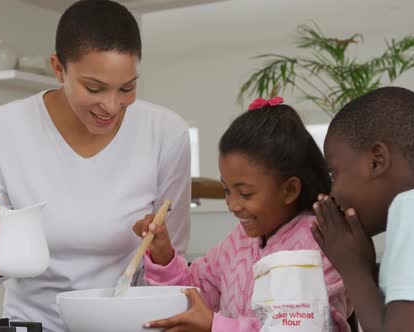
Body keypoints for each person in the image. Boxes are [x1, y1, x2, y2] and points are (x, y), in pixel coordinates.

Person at [0, 1, 191, 331]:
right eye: (94, 88)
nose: (112, 106)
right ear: (58, 69)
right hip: (32, 323)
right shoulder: (3, 128)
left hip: (129, 324)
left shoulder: (167, 134)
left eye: (127, 88)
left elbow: (173, 263)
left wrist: (161, 252)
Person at [134, 97, 352, 331]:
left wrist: (215, 326)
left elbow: (300, 327)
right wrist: (164, 257)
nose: (233, 205)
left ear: (289, 190)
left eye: (245, 194)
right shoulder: (238, 242)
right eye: (227, 191)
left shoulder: (320, 244)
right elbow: (192, 295)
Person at [311, 86, 414, 332]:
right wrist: (368, 270)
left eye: (335, 173)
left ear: (376, 161)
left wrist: (352, 267)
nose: (332, 195)